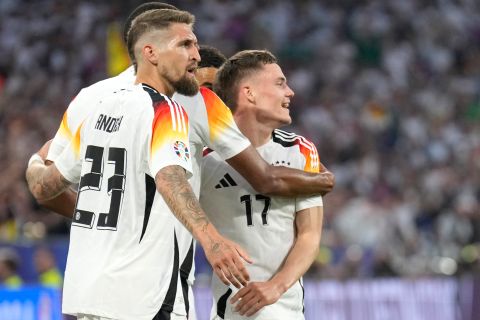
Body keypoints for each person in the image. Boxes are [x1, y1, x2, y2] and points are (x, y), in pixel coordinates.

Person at [26, 2, 334, 318]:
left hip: (87, 293)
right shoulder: (182, 104)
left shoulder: (92, 100)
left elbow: (44, 187)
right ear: (151, 52)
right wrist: (324, 179)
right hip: (150, 294)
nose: (195, 55)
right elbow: (182, 177)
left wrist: (34, 163)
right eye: (185, 45)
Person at [200, 50, 324, 319]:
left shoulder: (301, 151)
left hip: (286, 311)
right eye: (280, 83)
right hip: (229, 313)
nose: (290, 92)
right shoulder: (205, 159)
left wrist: (275, 287)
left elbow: (310, 235)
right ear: (249, 93)